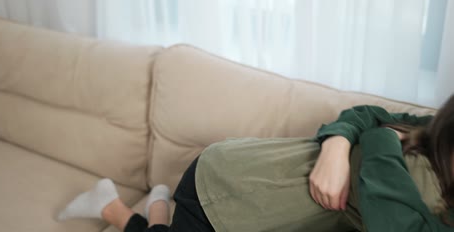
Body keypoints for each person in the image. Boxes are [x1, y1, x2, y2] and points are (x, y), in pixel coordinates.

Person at [57, 94, 454, 231]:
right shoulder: (426, 173)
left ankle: (152, 204)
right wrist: (337, 143)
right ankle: (115, 207)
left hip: (262, 204)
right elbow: (370, 116)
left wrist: (371, 136)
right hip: (232, 192)